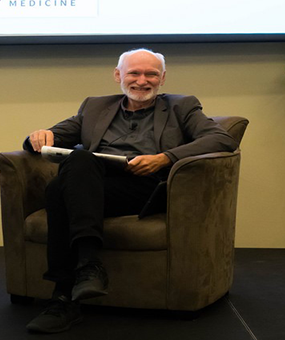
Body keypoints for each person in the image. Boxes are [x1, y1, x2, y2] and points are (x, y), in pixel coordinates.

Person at [22, 48, 238, 333]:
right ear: (118, 76)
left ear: (162, 78)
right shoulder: (95, 107)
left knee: (58, 189)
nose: (142, 80)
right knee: (77, 164)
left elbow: (221, 139)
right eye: (134, 73)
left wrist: (165, 158)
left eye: (151, 74)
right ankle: (87, 267)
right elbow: (52, 138)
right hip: (96, 186)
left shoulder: (181, 106)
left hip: (145, 187)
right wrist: (36, 136)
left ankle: (62, 298)